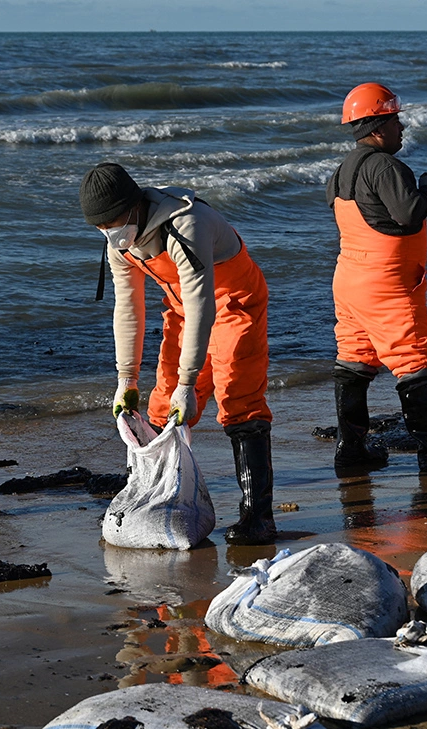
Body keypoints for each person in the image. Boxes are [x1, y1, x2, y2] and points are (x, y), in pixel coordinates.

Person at [79, 163, 276, 545]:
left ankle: (259, 517)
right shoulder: (120, 240)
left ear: (134, 207)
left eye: (114, 222)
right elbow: (129, 307)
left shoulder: (186, 224)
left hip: (234, 301)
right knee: (160, 404)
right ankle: (149, 500)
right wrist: (126, 378)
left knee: (238, 397)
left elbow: (205, 304)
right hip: (184, 308)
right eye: (102, 227)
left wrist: (190, 382)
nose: (110, 232)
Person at [326, 83, 427, 475]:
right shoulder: (385, 166)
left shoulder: (342, 169)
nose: (402, 128)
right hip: (385, 284)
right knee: (413, 361)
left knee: (354, 363)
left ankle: (351, 453)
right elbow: (409, 213)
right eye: (396, 120)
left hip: (349, 280)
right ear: (378, 126)